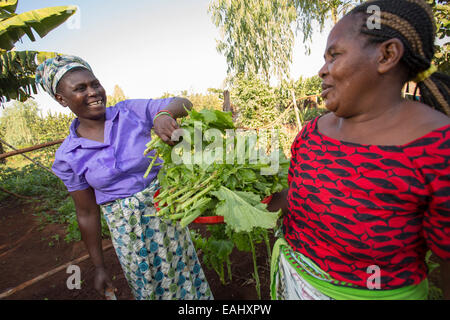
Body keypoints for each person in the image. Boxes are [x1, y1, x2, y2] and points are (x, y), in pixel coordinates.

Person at [267, 0, 449, 300]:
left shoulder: (437, 146)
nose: (322, 71)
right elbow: (299, 198)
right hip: (294, 280)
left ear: (387, 55)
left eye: (334, 56)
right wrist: (244, 202)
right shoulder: (312, 133)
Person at [35, 55, 213, 300]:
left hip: (166, 215)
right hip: (127, 235)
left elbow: (183, 103)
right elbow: (86, 213)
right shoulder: (68, 155)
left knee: (187, 282)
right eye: (80, 88)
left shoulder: (129, 112)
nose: (93, 92)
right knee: (149, 290)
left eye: (95, 84)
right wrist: (98, 267)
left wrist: (162, 115)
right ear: (61, 99)